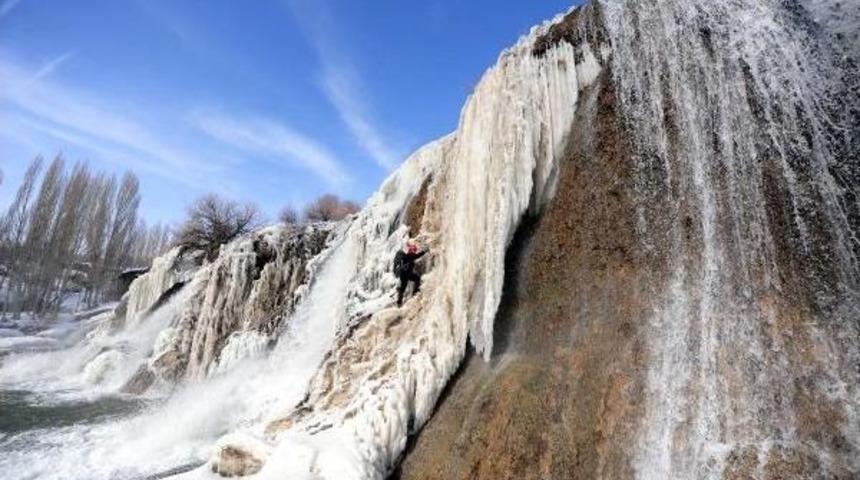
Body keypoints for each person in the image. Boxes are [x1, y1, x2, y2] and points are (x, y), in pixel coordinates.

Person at [393, 240, 427, 307]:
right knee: (417, 278)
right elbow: (418, 255)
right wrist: (424, 251)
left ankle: (399, 302)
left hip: (402, 274)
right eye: (414, 250)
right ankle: (415, 292)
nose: (414, 251)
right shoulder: (410, 255)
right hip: (407, 273)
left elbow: (415, 257)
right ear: (411, 250)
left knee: (402, 288)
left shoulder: (405, 256)